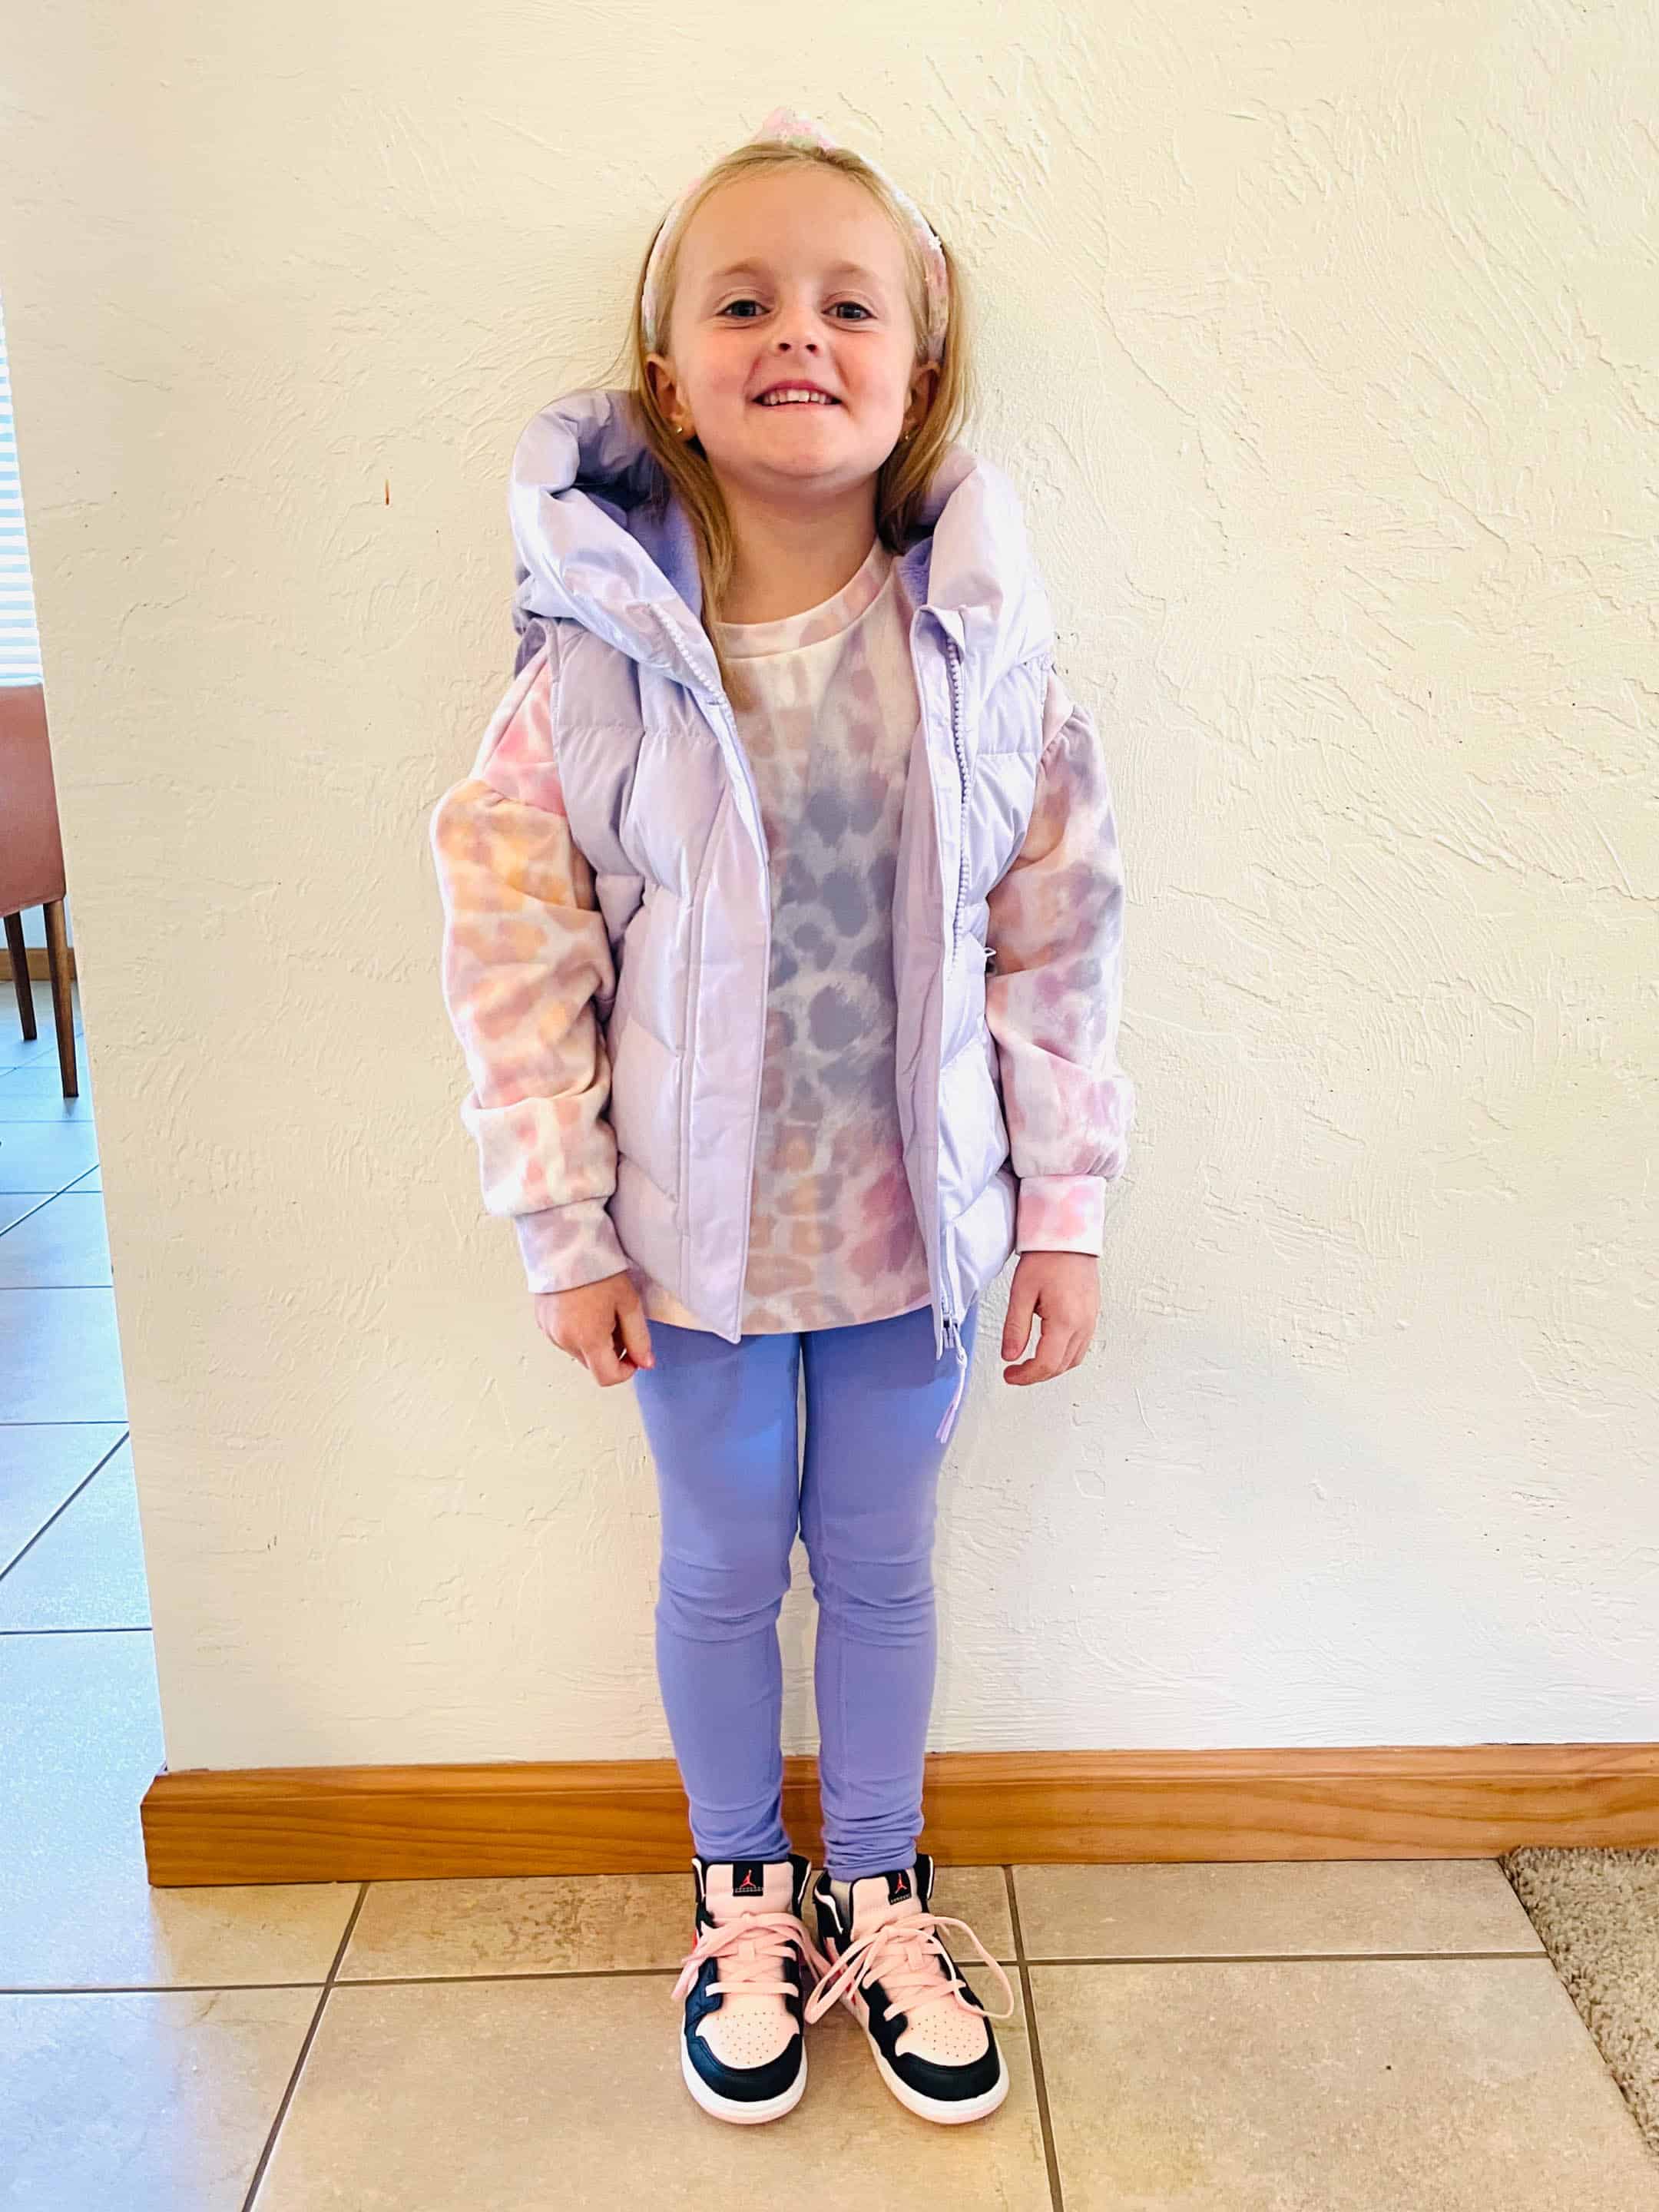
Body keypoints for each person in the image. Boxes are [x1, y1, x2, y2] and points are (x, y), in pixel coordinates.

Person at [429, 104, 1135, 2131]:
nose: (797, 335)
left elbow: (1059, 934)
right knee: (727, 1567)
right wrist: (562, 1225)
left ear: (921, 366)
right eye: (741, 304)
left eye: (848, 304)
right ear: (670, 377)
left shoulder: (979, 658)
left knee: (888, 1572)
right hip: (694, 1256)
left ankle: (882, 1888)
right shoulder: (592, 671)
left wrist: (1064, 1209)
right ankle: (745, 1890)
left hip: (919, 1243)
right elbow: (512, 946)